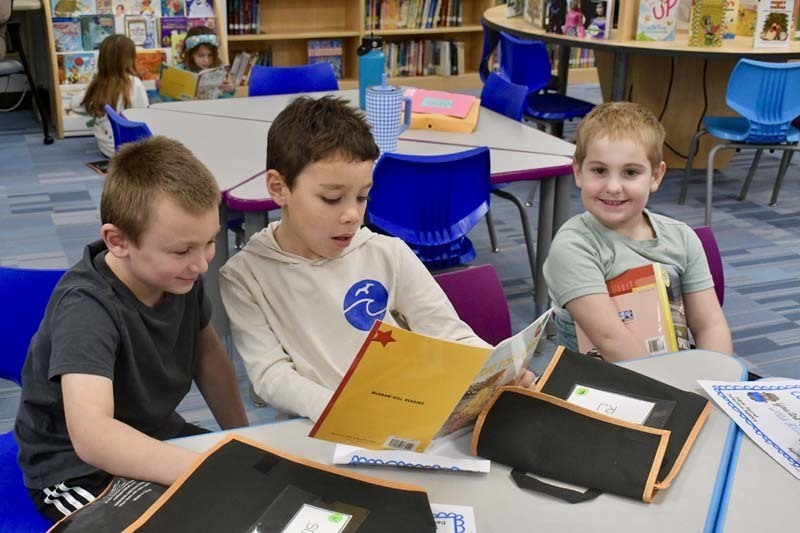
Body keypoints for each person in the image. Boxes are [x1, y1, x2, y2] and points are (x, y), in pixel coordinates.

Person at [220, 96, 536, 421]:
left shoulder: (387, 252)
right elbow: (270, 375)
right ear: (279, 187)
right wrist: (339, 409)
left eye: (362, 196)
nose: (352, 215)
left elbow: (447, 332)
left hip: (406, 414)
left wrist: (496, 370)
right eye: (331, 198)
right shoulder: (245, 275)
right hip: (319, 426)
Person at [14, 136, 249, 522]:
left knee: (248, 496)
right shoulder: (86, 308)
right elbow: (92, 437)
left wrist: (243, 439)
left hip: (151, 433)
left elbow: (207, 357)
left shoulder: (178, 275)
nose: (201, 264)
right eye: (181, 250)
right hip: (73, 467)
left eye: (208, 242)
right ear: (118, 242)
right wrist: (201, 469)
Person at [543, 102, 733, 361]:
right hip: (597, 385)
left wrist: (715, 381)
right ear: (578, 172)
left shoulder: (681, 237)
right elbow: (610, 339)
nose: (613, 186)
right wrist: (675, 391)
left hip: (674, 374)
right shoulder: (574, 246)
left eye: (630, 172)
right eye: (599, 171)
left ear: (655, 176)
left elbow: (711, 326)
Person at [73, 35, 148, 158]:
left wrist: (92, 104)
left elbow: (74, 105)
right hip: (130, 150)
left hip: (106, 148)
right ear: (130, 59)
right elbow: (144, 115)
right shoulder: (135, 83)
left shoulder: (98, 84)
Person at [177, 25, 234, 98]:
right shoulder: (180, 70)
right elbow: (168, 100)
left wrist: (230, 89)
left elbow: (226, 100)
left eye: (210, 55)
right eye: (201, 55)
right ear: (191, 54)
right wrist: (162, 88)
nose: (206, 60)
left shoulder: (219, 69)